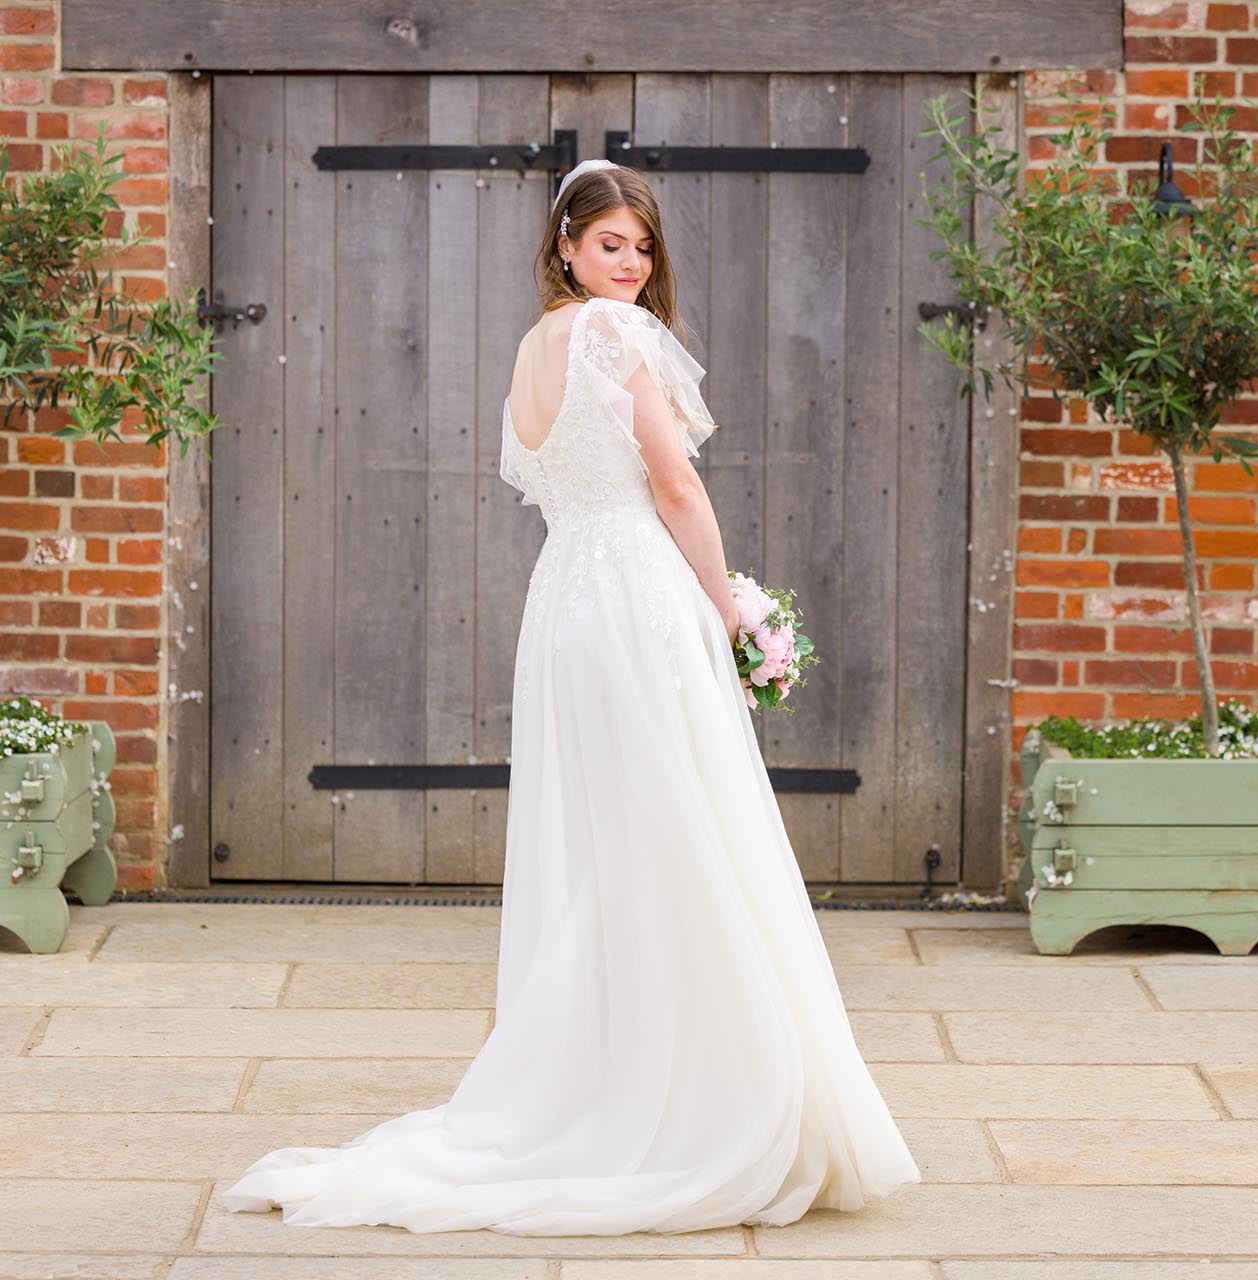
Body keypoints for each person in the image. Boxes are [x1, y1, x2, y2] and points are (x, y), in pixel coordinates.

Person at [217, 158, 919, 1235]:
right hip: (636, 591)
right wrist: (727, 603)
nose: (630, 265)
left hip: (565, 604)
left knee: (608, 841)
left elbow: (552, 478)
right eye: (610, 246)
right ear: (565, 247)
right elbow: (675, 484)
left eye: (641, 249)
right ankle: (694, 1099)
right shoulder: (612, 336)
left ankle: (612, 1075)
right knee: (682, 831)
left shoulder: (530, 351)